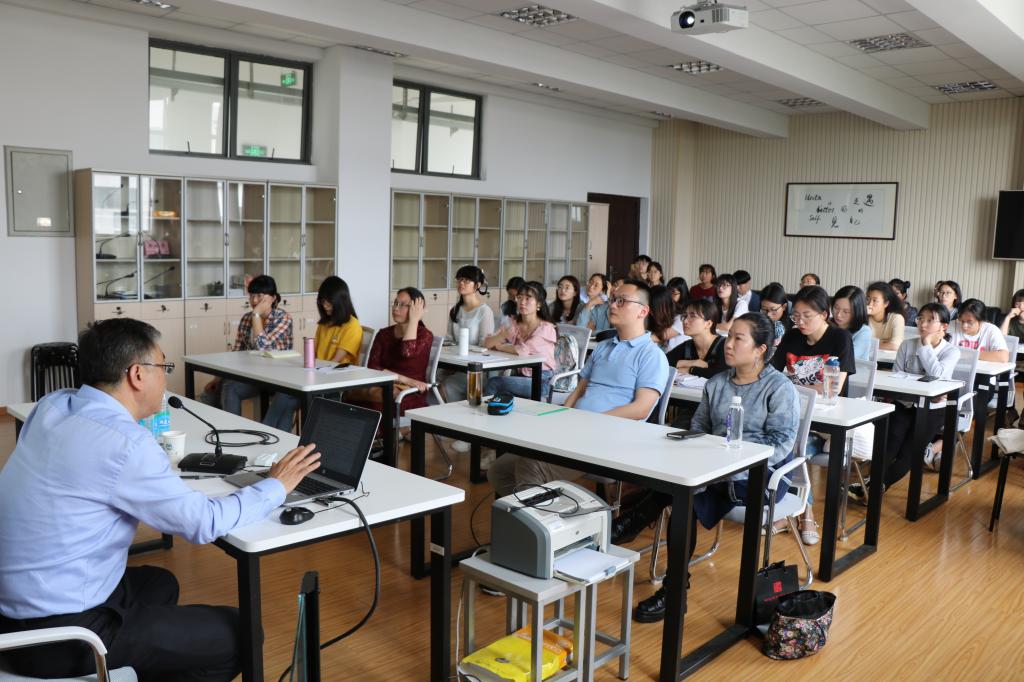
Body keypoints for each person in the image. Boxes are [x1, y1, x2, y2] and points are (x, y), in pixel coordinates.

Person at [0, 318, 322, 680]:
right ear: (137, 374)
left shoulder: (53, 405)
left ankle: (138, 664)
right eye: (163, 366)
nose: (166, 378)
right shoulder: (125, 442)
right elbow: (202, 523)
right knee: (241, 633)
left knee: (160, 583)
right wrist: (276, 485)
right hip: (56, 637)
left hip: (12, 608)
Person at [622, 313, 800, 623]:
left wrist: (730, 463)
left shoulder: (778, 387)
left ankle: (632, 528)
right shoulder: (717, 383)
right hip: (714, 466)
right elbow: (699, 427)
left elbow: (781, 445)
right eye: (728, 337)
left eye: (738, 339)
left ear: (760, 349)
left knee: (685, 495)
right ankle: (673, 587)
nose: (728, 344)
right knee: (681, 490)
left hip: (760, 474)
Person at [487, 279, 669, 496]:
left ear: (643, 311)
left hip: (611, 439)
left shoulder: (651, 355)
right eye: (613, 299)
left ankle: (549, 514)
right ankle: (543, 509)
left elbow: (641, 408)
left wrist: (592, 422)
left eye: (622, 301)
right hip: (576, 430)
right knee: (499, 469)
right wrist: (565, 417)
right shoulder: (603, 347)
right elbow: (579, 390)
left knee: (531, 467)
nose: (612, 305)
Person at [771, 285, 856, 544]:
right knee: (781, 446)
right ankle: (795, 511)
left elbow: (832, 388)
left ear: (824, 314)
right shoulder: (792, 337)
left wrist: (792, 386)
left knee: (792, 449)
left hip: (826, 422)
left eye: (807, 315)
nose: (800, 322)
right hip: (793, 417)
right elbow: (772, 375)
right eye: (796, 316)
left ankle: (802, 512)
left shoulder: (840, 338)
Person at [849, 304, 960, 499]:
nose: (922, 324)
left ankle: (873, 488)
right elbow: (897, 377)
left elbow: (938, 374)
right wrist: (925, 389)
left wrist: (926, 345)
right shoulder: (907, 345)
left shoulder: (951, 351)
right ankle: (872, 487)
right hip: (905, 404)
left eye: (929, 320)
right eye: (920, 319)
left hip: (933, 409)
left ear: (943, 327)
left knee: (909, 452)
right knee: (889, 446)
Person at [261, 276, 362, 431]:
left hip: (334, 382)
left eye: (328, 302)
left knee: (285, 398)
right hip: (318, 377)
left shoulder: (352, 326)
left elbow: (335, 362)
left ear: (340, 300)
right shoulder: (325, 324)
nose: (325, 306)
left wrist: (310, 374)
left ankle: (266, 433)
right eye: (322, 301)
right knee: (284, 396)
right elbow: (314, 356)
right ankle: (275, 437)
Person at [210, 275, 294, 416]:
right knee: (212, 391)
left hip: (277, 378)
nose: (254, 301)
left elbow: (263, 348)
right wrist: (217, 379)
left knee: (230, 388)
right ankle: (219, 427)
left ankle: (232, 429)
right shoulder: (246, 318)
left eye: (259, 296)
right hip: (252, 375)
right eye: (251, 296)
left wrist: (256, 315)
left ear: (273, 298)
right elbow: (236, 353)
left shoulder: (282, 318)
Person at [346, 287, 434, 415]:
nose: (396, 308)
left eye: (402, 305)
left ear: (416, 309)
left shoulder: (425, 335)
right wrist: (405, 380)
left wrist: (414, 320)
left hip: (410, 392)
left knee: (380, 401)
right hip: (387, 385)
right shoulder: (384, 334)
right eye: (395, 303)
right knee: (348, 396)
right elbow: (373, 367)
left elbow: (407, 352)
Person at [484, 281, 557, 399]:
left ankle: (483, 410)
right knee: (497, 389)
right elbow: (487, 343)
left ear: (539, 303)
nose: (522, 302)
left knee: (494, 383)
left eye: (528, 298)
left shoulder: (546, 328)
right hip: (520, 376)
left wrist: (499, 346)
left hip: (541, 380)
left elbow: (522, 350)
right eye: (519, 297)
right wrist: (502, 335)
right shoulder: (514, 322)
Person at [442, 265, 496, 406]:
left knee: (445, 386)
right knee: (429, 380)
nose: (461, 283)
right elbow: (449, 339)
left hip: (473, 370)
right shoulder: (455, 310)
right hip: (454, 362)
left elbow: (485, 345)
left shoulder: (484, 311)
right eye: (459, 279)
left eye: (466, 280)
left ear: (477, 285)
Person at [832, 285, 873, 361]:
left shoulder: (864, 331)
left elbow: (847, 359)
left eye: (846, 311)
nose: (838, 315)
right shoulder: (828, 325)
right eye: (836, 308)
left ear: (857, 312)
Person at [865, 281, 905, 352]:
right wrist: (885, 343)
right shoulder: (863, 316)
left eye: (875, 300)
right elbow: (857, 342)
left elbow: (895, 346)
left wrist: (869, 344)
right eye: (868, 299)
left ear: (886, 303)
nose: (869, 304)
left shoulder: (896, 318)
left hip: (888, 359)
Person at [648, 284, 687, 352]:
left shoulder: (680, 319)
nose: (650, 312)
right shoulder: (654, 318)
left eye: (652, 308)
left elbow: (661, 336)